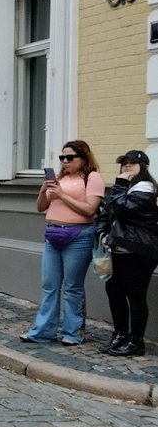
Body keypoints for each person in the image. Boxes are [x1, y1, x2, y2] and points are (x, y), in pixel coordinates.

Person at [21, 140, 105, 346]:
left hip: (79, 236)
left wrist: (62, 194)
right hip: (53, 234)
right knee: (49, 285)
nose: (65, 161)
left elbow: (89, 210)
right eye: (62, 158)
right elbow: (41, 207)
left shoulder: (92, 178)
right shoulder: (59, 178)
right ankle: (43, 332)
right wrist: (44, 190)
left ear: (83, 158)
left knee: (72, 287)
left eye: (70, 157)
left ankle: (72, 332)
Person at [96, 150, 158, 356]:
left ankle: (137, 341)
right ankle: (120, 334)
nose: (126, 167)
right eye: (124, 164)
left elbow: (124, 209)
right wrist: (103, 232)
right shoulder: (124, 189)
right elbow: (106, 212)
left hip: (139, 251)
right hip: (118, 250)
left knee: (136, 296)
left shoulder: (146, 189)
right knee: (114, 293)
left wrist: (120, 185)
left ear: (143, 167)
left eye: (132, 164)